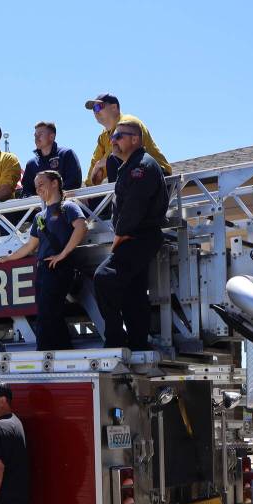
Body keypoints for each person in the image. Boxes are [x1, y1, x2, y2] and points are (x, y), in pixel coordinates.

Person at [92, 120, 169, 350]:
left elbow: (134, 208)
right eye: (112, 137)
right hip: (137, 236)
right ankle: (137, 344)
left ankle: (115, 339)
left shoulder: (141, 167)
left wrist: (120, 235)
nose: (113, 141)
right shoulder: (128, 166)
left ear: (135, 139)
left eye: (119, 136)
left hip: (139, 236)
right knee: (133, 293)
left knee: (104, 278)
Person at [0, 170, 88, 350]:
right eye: (36, 186)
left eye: (41, 184)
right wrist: (8, 258)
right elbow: (30, 246)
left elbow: (82, 227)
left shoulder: (67, 207)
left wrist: (63, 254)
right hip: (43, 269)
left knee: (49, 312)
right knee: (46, 312)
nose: (38, 189)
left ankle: (48, 351)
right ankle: (57, 351)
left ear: (55, 183)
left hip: (59, 267)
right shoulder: (39, 217)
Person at [84, 93, 171, 185]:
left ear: (114, 107)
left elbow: (118, 153)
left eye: (99, 107)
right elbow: (95, 162)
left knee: (113, 159)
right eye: (93, 109)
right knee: (94, 198)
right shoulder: (103, 136)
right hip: (135, 176)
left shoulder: (128, 122)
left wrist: (102, 164)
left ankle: (118, 198)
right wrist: (89, 189)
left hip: (157, 174)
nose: (95, 112)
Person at [20, 122, 82, 197]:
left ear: (51, 137)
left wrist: (53, 197)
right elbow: (26, 191)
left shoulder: (66, 154)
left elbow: (74, 182)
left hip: (65, 204)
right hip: (39, 207)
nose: (36, 138)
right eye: (35, 135)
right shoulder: (31, 164)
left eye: (40, 134)